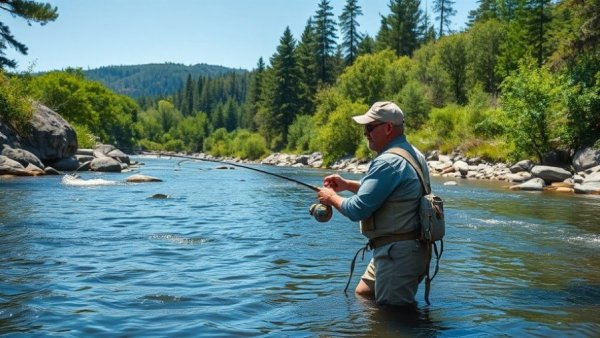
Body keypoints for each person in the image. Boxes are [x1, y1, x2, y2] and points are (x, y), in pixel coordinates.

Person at [317, 101, 431, 307]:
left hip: (398, 254)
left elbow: (357, 209)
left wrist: (330, 197)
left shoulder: (388, 161)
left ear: (388, 128)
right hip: (407, 248)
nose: (365, 134)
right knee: (364, 293)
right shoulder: (412, 153)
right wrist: (347, 185)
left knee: (395, 320)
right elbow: (387, 191)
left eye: (369, 127)